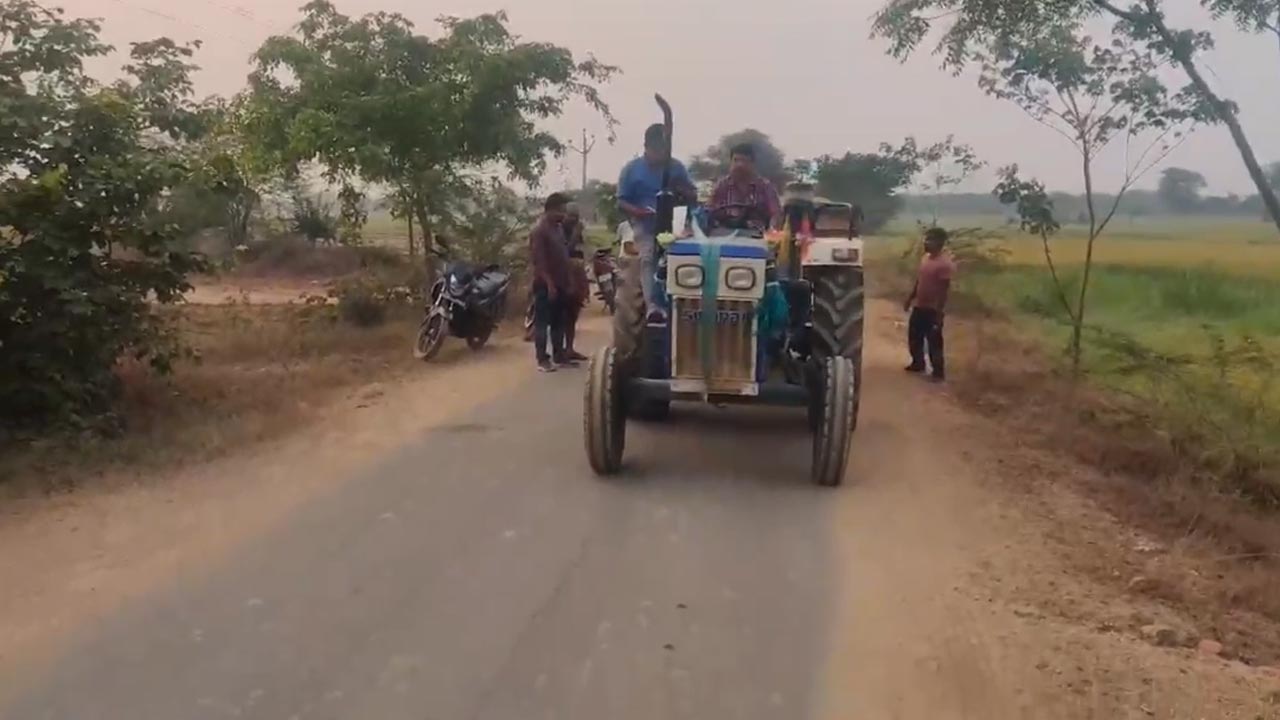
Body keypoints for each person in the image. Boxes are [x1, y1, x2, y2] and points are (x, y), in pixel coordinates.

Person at [618, 123, 697, 322]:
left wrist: (682, 190)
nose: (659, 155)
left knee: (689, 256)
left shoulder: (676, 167)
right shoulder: (631, 169)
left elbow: (692, 195)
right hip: (645, 225)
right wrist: (638, 211)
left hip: (675, 224)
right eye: (655, 150)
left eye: (663, 150)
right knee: (648, 258)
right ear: (646, 147)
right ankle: (653, 305)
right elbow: (621, 200)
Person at [529, 192, 575, 372]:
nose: (564, 215)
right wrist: (549, 284)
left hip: (561, 282)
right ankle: (542, 360)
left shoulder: (558, 229)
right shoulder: (539, 230)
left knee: (559, 322)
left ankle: (559, 355)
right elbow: (538, 261)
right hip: (545, 284)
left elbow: (564, 256)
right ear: (551, 210)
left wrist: (568, 280)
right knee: (542, 323)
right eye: (561, 210)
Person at [903, 227, 954, 382]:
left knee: (934, 341)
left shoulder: (945, 264)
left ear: (940, 242)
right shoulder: (925, 258)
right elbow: (919, 281)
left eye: (930, 239)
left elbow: (944, 290)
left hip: (933, 309)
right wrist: (910, 297)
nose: (926, 242)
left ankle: (938, 372)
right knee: (914, 336)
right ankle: (918, 363)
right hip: (920, 305)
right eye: (926, 239)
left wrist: (939, 312)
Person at [709, 142, 781, 230]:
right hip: (724, 235)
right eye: (736, 160)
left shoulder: (765, 186)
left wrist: (772, 229)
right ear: (730, 162)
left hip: (757, 236)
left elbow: (776, 214)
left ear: (752, 164)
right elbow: (709, 212)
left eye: (744, 161)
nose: (739, 165)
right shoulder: (721, 185)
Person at [561, 202, 590, 362]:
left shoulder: (576, 229)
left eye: (576, 216)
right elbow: (566, 250)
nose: (573, 219)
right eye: (571, 216)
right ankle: (561, 351)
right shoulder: (560, 230)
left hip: (577, 271)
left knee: (573, 313)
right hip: (565, 272)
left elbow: (581, 249)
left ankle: (569, 348)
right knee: (563, 314)